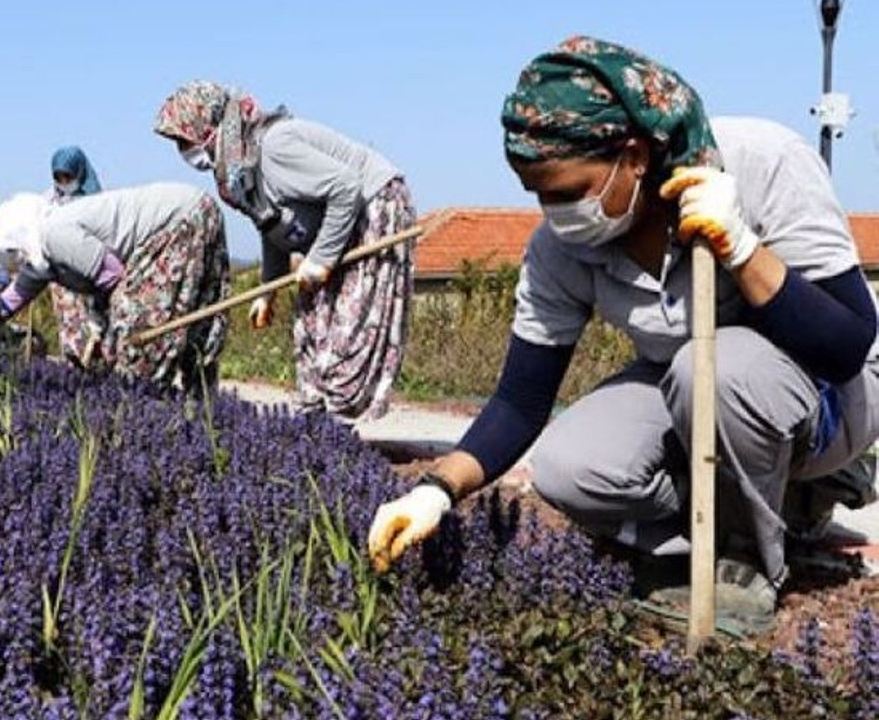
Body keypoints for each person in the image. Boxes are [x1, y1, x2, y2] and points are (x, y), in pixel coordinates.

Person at [367, 36, 879, 631]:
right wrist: (436, 489)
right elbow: (520, 400)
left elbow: (847, 344)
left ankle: (744, 560)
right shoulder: (560, 249)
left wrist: (742, 247)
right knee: (569, 465)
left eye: (566, 193)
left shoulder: (765, 162)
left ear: (633, 157)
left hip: (826, 395)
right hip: (687, 385)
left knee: (713, 370)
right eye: (537, 196)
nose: (552, 213)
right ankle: (753, 519)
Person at [155, 80, 415, 420]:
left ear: (206, 126)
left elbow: (346, 188)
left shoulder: (274, 147)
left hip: (372, 206)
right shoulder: (238, 172)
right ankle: (315, 424)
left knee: (348, 329)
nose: (183, 152)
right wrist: (268, 290)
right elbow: (272, 225)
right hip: (334, 224)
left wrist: (321, 259)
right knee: (310, 326)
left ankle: (335, 428)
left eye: (183, 141)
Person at [0, 182, 230, 391]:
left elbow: (115, 279)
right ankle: (195, 412)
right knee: (167, 328)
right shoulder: (41, 255)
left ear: (21, 233)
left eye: (12, 248)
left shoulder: (55, 233)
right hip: (194, 213)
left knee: (136, 335)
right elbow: (10, 301)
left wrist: (105, 330)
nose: (14, 256)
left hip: (180, 220)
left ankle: (146, 406)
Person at [44, 145, 108, 365]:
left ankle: (97, 366)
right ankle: (74, 367)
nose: (64, 181)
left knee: (93, 321)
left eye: (68, 176)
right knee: (68, 320)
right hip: (60, 272)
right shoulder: (49, 201)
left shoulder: (96, 200)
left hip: (87, 269)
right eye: (58, 177)